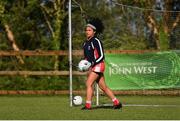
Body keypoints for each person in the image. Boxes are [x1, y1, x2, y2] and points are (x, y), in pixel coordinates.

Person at [81, 18, 122, 110]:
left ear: (94, 32)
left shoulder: (96, 41)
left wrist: (92, 63)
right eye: (86, 30)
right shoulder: (85, 43)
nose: (87, 32)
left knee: (88, 83)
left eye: (89, 30)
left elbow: (101, 56)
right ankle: (117, 103)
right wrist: (83, 64)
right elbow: (86, 57)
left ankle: (88, 105)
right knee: (103, 87)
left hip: (99, 65)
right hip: (94, 66)